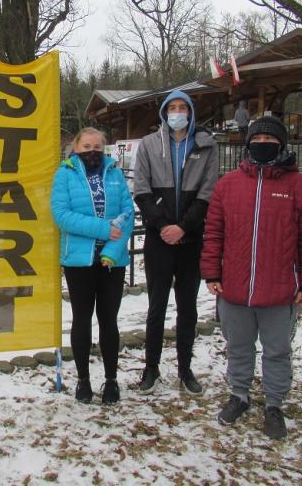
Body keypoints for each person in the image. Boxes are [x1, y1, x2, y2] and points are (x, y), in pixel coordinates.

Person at [200, 116, 302, 440]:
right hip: (235, 288)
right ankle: (239, 395)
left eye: (272, 140)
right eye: (259, 139)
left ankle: (274, 403)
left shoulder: (301, 188)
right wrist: (211, 271)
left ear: (282, 145)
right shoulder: (228, 185)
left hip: (280, 290)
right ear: (248, 144)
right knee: (238, 347)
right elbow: (214, 233)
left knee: (277, 351)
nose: (264, 145)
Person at [133, 89, 218, 395]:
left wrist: (183, 227)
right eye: (173, 107)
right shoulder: (149, 144)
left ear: (192, 112)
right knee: (156, 306)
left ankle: (185, 368)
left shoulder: (206, 146)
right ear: (164, 113)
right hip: (159, 239)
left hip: (191, 238)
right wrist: (162, 225)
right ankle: (151, 368)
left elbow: (208, 193)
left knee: (188, 308)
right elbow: (141, 189)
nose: (178, 112)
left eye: (183, 107)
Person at [50, 127, 134, 405]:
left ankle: (111, 379)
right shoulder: (65, 174)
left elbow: (127, 214)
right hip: (78, 261)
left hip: (112, 261)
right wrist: (102, 229)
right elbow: (61, 215)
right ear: (76, 147)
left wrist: (112, 249)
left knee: (109, 320)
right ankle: (83, 379)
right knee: (82, 319)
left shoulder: (115, 173)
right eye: (86, 146)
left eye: (97, 145)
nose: (92, 150)